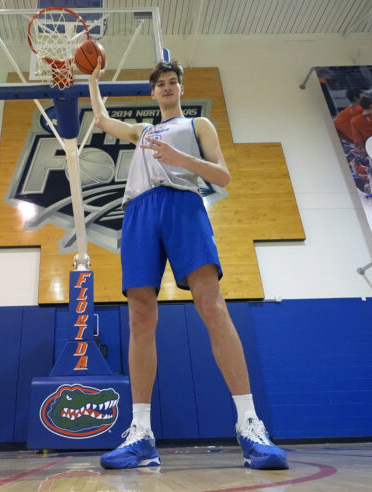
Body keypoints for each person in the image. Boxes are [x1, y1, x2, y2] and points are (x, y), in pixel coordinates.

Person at [88, 59, 288, 470]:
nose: (166, 87)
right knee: (140, 318)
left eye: (172, 82)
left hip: (183, 204)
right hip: (140, 211)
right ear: (152, 92)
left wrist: (183, 159)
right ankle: (141, 434)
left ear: (180, 89)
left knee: (211, 306)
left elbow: (223, 176)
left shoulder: (199, 125)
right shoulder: (142, 131)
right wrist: (91, 78)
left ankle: (250, 424)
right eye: (160, 83)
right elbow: (103, 120)